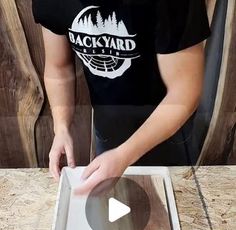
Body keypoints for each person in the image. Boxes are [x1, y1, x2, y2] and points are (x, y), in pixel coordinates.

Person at [32, 0, 211, 195]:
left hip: (170, 132)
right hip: (108, 130)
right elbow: (59, 68)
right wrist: (61, 128)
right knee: (114, 209)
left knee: (173, 209)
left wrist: (124, 155)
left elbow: (185, 90)